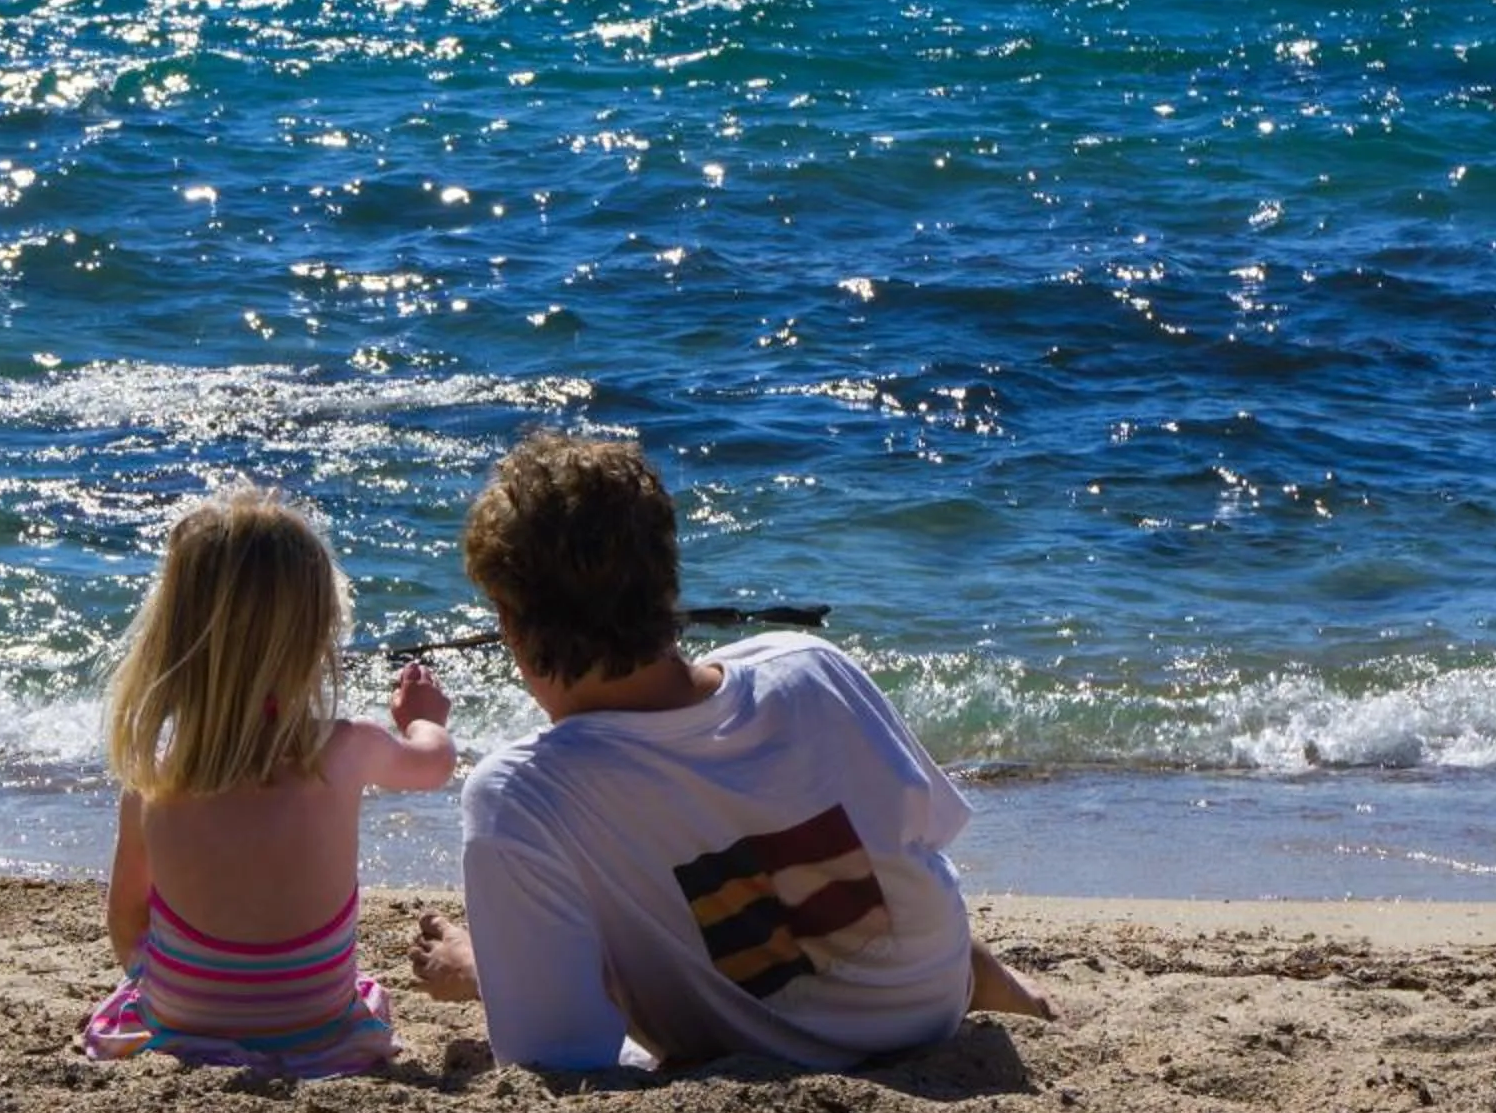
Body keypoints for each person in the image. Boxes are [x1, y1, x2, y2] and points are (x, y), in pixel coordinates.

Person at [409, 432, 1052, 1071]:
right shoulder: (808, 664)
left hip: (784, 1049)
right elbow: (921, 836)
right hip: (930, 997)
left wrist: (485, 971)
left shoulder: (522, 792)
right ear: (665, 578)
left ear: (512, 624)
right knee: (835, 865)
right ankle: (995, 984)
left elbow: (561, 1056)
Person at [82, 485, 456, 1076]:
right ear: (318, 635)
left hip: (183, 1023)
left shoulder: (155, 775)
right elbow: (433, 765)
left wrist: (158, 982)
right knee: (358, 992)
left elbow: (126, 918)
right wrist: (423, 720)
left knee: (145, 974)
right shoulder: (346, 748)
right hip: (318, 1028)